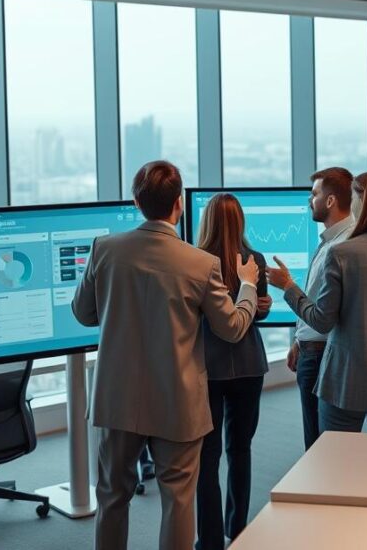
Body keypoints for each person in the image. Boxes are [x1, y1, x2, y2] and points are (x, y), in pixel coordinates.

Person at [72, 161, 259, 550]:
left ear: (136, 202)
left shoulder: (104, 249)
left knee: (112, 497)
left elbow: (83, 313)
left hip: (117, 398)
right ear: (178, 204)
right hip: (177, 401)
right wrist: (246, 287)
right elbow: (232, 328)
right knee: (178, 500)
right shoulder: (199, 263)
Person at [268, 170, 367, 435]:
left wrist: (288, 287)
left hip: (346, 380)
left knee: (334, 466)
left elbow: (322, 321)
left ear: (362, 201)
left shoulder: (342, 253)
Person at [194, 193, 272, 550]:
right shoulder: (254, 258)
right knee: (241, 449)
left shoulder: (193, 262)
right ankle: (237, 531)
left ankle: (209, 541)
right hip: (248, 365)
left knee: (206, 456)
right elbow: (257, 312)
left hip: (205, 367)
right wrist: (260, 304)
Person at [286, 167, 355, 450]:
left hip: (321, 355)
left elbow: (326, 313)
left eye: (314, 194)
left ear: (330, 201)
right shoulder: (331, 240)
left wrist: (287, 286)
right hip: (312, 348)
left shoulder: (343, 246)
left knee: (317, 445)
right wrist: (299, 341)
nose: (309, 200)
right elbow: (319, 298)